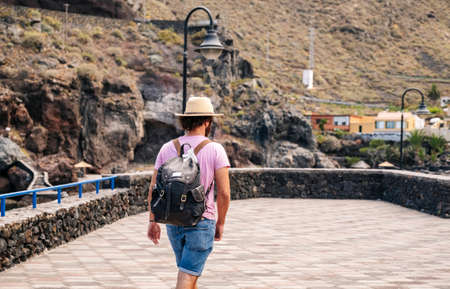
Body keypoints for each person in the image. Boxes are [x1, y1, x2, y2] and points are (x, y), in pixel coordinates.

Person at [147, 96, 231, 289]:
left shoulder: (167, 148)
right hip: (201, 220)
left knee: (190, 274)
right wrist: (221, 222)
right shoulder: (215, 150)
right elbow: (224, 193)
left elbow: (154, 189)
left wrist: (153, 220)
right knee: (187, 276)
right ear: (207, 121)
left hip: (173, 221)